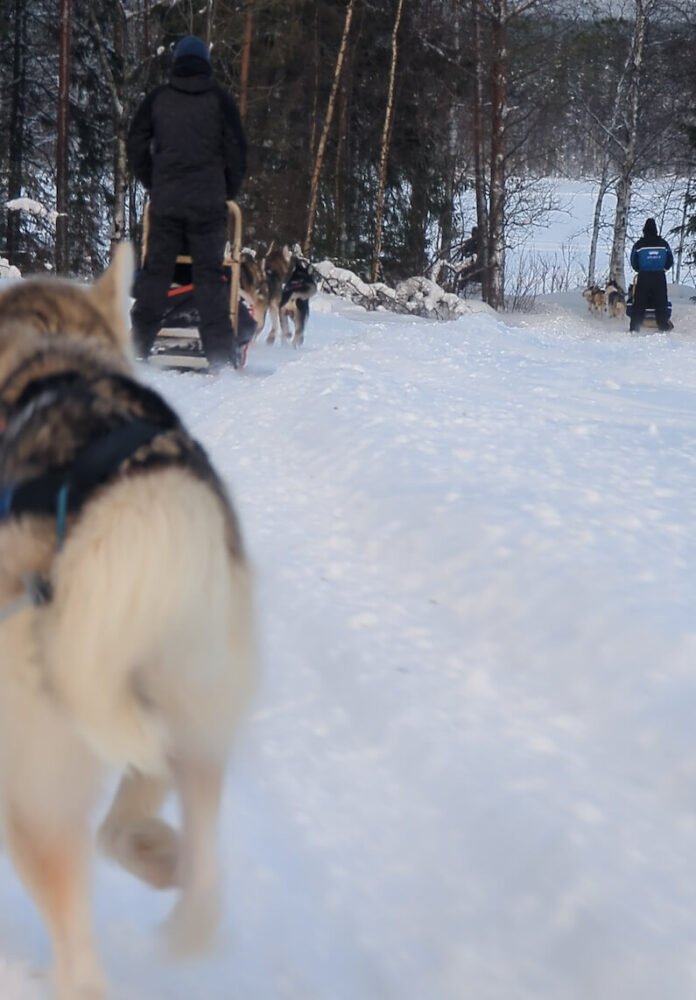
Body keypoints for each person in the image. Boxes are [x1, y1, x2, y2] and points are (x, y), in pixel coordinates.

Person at [127, 35, 248, 367]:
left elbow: (135, 144)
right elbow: (237, 151)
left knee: (155, 276)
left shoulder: (158, 99)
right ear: (205, 65)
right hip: (208, 206)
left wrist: (153, 181)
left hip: (167, 203)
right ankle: (221, 359)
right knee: (209, 279)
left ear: (176, 63)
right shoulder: (220, 101)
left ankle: (136, 349)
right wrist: (226, 191)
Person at [628, 217, 674, 333]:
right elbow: (670, 260)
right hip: (659, 276)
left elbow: (633, 261)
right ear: (656, 230)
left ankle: (635, 327)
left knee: (639, 303)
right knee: (661, 302)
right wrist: (663, 268)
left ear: (644, 230)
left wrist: (639, 269)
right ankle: (663, 326)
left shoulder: (639, 245)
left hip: (644, 276)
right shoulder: (664, 244)